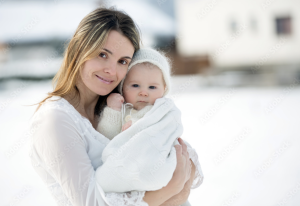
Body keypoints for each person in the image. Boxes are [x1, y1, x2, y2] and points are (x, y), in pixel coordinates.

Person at [29, 7, 203, 206]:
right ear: (79, 50)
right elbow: (91, 203)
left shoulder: (123, 106)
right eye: (103, 55)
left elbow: (177, 151)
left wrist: (180, 176)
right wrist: (170, 191)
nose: (111, 70)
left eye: (123, 61)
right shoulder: (56, 119)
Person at [96, 47, 203, 206]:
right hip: (132, 179)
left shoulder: (162, 111)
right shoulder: (125, 111)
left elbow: (169, 133)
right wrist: (113, 110)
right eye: (135, 85)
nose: (144, 93)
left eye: (152, 87)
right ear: (122, 87)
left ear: (164, 89)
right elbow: (105, 136)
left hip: (162, 170)